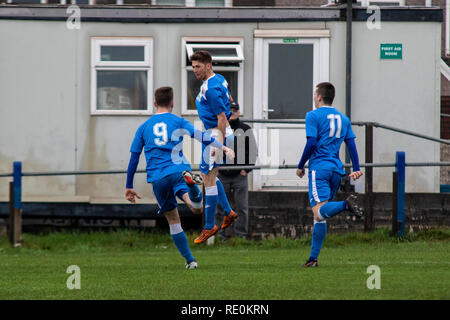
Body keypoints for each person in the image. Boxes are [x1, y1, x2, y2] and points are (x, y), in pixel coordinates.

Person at [125, 86, 234, 269]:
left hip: (158, 177)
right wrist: (222, 147)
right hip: (178, 171)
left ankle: (190, 261)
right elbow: (201, 136)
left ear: (154, 103)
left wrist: (129, 186)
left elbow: (134, 158)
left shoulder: (143, 127)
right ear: (172, 103)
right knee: (196, 209)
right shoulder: (178, 121)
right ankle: (193, 189)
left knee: (174, 220)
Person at [296, 82, 364, 268]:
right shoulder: (344, 118)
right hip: (336, 170)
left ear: (319, 97)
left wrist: (301, 165)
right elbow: (351, 144)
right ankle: (313, 259)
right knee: (321, 215)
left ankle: (345, 204)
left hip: (319, 169)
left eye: (314, 95)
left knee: (318, 210)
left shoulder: (312, 115)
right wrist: (356, 168)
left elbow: (311, 143)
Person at [190, 50, 238, 244]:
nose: (194, 70)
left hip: (215, 134)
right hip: (217, 133)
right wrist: (231, 105)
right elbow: (231, 101)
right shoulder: (219, 79)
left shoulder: (210, 88)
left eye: (198, 66)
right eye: (193, 66)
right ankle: (228, 212)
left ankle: (209, 227)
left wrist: (219, 145)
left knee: (208, 180)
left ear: (208, 65)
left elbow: (221, 118)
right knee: (207, 176)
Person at [215, 101, 257, 240]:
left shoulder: (245, 129)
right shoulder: (218, 129)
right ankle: (220, 235)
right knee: (220, 208)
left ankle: (241, 236)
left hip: (240, 175)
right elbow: (211, 149)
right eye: (229, 110)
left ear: (238, 112)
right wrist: (216, 169)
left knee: (242, 207)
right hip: (222, 174)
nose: (232, 112)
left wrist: (246, 169)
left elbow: (253, 151)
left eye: (235, 110)